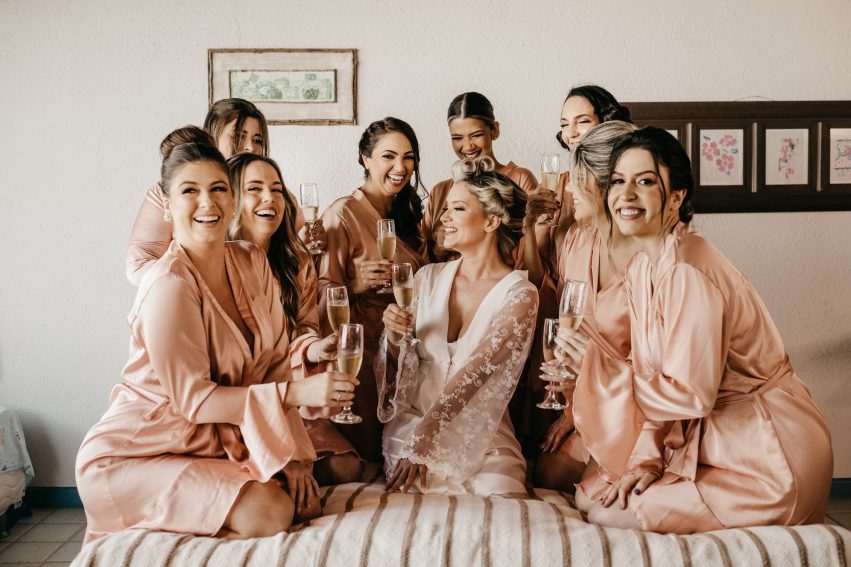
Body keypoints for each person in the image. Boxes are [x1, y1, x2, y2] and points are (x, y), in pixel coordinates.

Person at [556, 127, 833, 533]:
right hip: (711, 440)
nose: (625, 194)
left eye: (645, 181)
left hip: (765, 454)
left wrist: (600, 368)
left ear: (677, 196)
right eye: (618, 181)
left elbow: (691, 394)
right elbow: (652, 375)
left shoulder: (688, 267)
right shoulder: (643, 267)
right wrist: (644, 462)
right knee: (592, 494)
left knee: (605, 514)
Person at [76, 142, 357, 541]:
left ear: (232, 198)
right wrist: (294, 393)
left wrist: (292, 457)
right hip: (136, 455)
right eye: (189, 190)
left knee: (296, 500)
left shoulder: (251, 260)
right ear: (168, 206)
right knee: (271, 512)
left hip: (203, 444)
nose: (207, 202)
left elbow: (276, 360)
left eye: (219, 188)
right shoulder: (168, 285)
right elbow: (196, 401)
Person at [379, 157, 538, 495]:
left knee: (502, 492)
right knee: (420, 492)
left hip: (482, 431)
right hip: (411, 424)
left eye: (458, 209)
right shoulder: (426, 278)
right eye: (445, 208)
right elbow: (401, 368)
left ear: (491, 221)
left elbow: (475, 376)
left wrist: (425, 443)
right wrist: (394, 336)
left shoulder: (521, 295)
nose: (443, 218)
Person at [227, 152, 362, 484]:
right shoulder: (218, 262)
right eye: (254, 188)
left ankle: (283, 469)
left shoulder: (296, 260)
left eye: (276, 189)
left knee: (347, 467)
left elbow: (304, 327)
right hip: (236, 399)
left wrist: (315, 349)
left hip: (282, 390)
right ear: (229, 199)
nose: (269, 198)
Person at [517, 85, 632, 457]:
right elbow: (540, 276)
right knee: (545, 457)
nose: (571, 133)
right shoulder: (561, 188)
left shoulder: (628, 209)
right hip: (560, 325)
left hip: (614, 350)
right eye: (565, 124)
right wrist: (530, 227)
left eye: (582, 121)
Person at [529, 121, 641, 492]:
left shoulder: (651, 256)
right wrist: (573, 410)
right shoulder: (576, 240)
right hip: (590, 399)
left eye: (576, 179)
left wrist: (591, 392)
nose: (568, 190)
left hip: (638, 404)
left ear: (603, 183)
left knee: (597, 493)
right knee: (548, 473)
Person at [317, 117, 429, 462]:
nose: (401, 167)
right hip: (363, 345)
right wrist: (356, 284)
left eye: (409, 157)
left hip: (408, 336)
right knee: (367, 453)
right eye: (389, 157)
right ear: (366, 158)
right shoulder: (343, 213)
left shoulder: (410, 209)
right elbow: (320, 294)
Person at [125, 99, 325, 285]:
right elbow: (139, 265)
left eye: (257, 140)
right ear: (213, 135)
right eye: (239, 136)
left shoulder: (278, 196)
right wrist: (201, 283)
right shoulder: (171, 192)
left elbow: (295, 256)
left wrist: (306, 246)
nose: (250, 147)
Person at [423, 92, 537, 263]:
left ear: (495, 130)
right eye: (457, 138)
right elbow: (422, 257)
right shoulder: (440, 192)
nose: (468, 146)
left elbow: (535, 249)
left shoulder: (519, 179)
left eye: (476, 135)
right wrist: (439, 246)